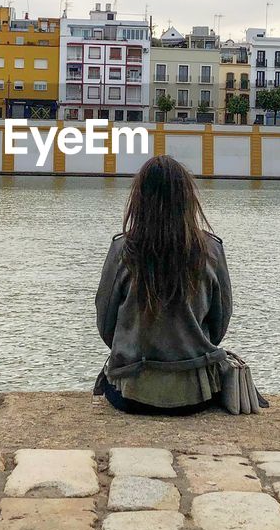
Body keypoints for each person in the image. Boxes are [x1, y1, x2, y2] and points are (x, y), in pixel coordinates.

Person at [94, 155, 232, 415]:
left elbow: (106, 324)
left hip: (132, 392)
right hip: (196, 393)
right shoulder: (212, 250)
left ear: (139, 199)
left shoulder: (122, 249)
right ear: (188, 199)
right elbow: (219, 322)